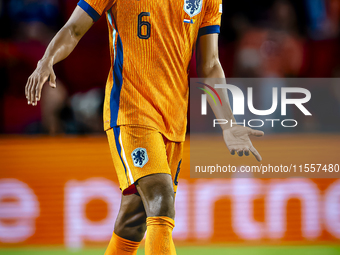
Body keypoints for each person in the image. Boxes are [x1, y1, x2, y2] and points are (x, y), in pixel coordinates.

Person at [25, 0, 264, 254]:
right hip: (131, 109)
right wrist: (47, 59)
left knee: (133, 220)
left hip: (173, 119)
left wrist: (227, 123)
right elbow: (73, 29)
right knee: (161, 200)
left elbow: (210, 64)